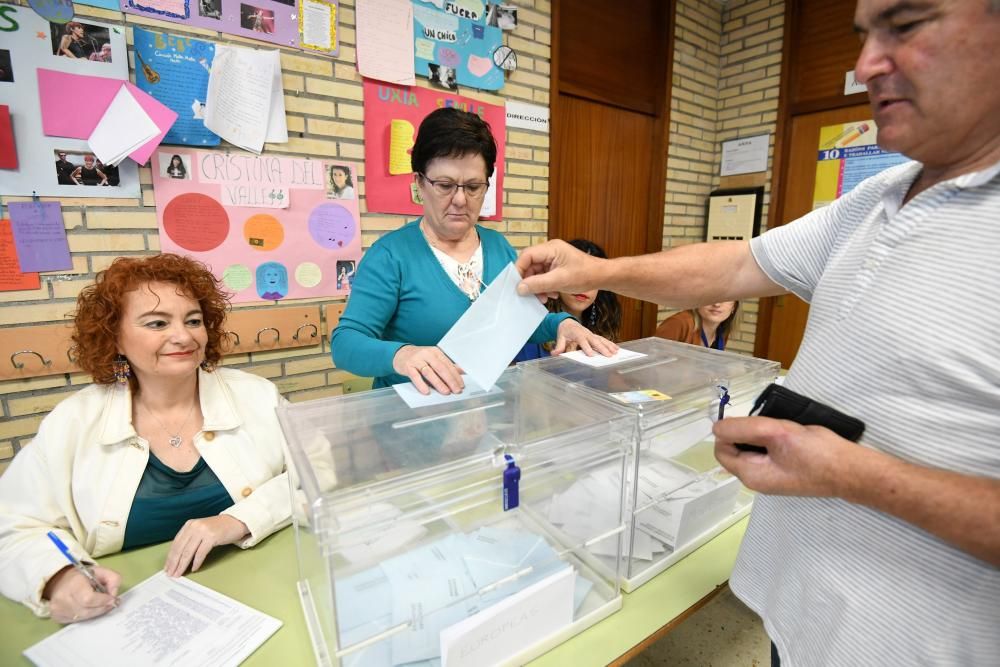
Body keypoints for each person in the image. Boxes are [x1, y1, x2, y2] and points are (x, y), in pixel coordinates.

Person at [515, 1, 1000, 664]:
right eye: (863, 36)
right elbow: (737, 261)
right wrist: (598, 267)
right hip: (797, 617)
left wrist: (849, 472)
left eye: (906, 26)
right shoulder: (880, 193)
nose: (863, 66)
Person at [0, 254, 291, 623]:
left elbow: (319, 474)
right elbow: (11, 526)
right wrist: (58, 577)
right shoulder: (73, 422)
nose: (183, 336)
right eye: (157, 323)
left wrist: (243, 519)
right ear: (116, 337)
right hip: (125, 614)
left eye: (194, 320)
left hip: (263, 592)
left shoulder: (258, 396)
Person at [332, 107, 616, 394]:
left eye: (473, 187)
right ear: (419, 182)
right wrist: (403, 355)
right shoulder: (390, 256)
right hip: (413, 418)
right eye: (444, 185)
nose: (459, 199)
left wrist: (562, 324)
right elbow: (345, 342)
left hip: (484, 416)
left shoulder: (497, 247)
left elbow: (517, 321)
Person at [515, 239, 622, 362]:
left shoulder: (604, 322)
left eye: (592, 279)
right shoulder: (533, 326)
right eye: (577, 277)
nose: (584, 287)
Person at [654, 301, 739, 350]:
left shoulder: (722, 330)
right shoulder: (678, 323)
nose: (716, 304)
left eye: (725, 298)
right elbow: (653, 364)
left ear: (734, 307)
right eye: (710, 296)